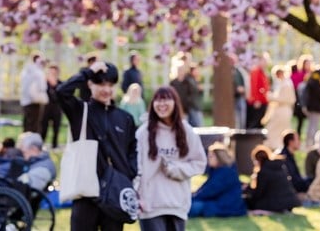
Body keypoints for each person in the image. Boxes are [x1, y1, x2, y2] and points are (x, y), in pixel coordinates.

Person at [57, 60, 137, 231]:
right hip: (86, 193)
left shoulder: (125, 118)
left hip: (115, 193)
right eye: (100, 84)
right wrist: (87, 72)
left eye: (110, 84)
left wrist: (128, 174)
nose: (106, 89)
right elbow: (61, 92)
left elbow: (133, 150)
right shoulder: (80, 111)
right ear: (90, 85)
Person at [135, 86, 207, 231]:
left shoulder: (186, 131)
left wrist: (175, 169)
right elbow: (135, 168)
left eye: (166, 100)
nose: (162, 105)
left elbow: (199, 163)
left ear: (175, 103)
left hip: (177, 204)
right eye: (157, 100)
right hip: (150, 204)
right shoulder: (143, 132)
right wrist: (137, 196)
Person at [189, 143, 247, 218]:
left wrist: (192, 197)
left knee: (193, 206)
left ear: (219, 157)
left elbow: (210, 191)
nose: (208, 159)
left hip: (226, 206)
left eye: (211, 156)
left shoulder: (226, 172)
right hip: (217, 203)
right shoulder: (217, 171)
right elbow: (205, 189)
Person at [243, 145, 301, 214]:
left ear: (257, 160)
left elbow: (258, 193)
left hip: (277, 203)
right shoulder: (280, 167)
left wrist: (247, 191)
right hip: (290, 202)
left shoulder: (263, 172)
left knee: (249, 202)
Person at [262, 66, 295, 149]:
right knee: (275, 129)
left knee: (276, 129)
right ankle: (275, 146)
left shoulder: (286, 84)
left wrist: (269, 95)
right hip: (282, 110)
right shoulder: (284, 83)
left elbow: (284, 98)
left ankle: (276, 146)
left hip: (283, 110)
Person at [20, 54, 48, 133]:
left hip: (25, 101)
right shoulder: (38, 72)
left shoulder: (25, 71)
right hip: (34, 101)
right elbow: (42, 87)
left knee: (27, 123)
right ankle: (32, 142)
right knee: (34, 124)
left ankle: (25, 141)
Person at [302, 67, 320, 149]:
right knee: (313, 125)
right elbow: (319, 94)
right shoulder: (316, 82)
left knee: (311, 125)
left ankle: (309, 142)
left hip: (311, 106)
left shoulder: (311, 81)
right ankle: (311, 142)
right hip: (314, 107)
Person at [40, 64, 63, 149]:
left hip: (57, 108)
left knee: (56, 128)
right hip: (46, 108)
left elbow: (60, 96)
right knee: (43, 127)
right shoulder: (44, 83)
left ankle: (55, 144)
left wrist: (55, 86)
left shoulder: (61, 83)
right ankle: (41, 144)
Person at [246, 54, 269, 130]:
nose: (266, 63)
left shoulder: (263, 72)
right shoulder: (256, 71)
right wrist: (256, 99)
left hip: (263, 101)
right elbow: (254, 86)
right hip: (257, 102)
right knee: (254, 123)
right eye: (264, 61)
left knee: (260, 123)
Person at [291, 55, 312, 136]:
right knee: (300, 121)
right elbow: (297, 88)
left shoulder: (313, 74)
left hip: (310, 101)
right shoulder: (299, 75)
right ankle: (298, 136)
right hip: (301, 101)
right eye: (307, 63)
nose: (308, 65)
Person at [231, 56, 247, 130]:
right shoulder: (231, 70)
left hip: (240, 97)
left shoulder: (239, 71)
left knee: (241, 116)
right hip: (233, 97)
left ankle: (241, 131)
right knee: (236, 117)